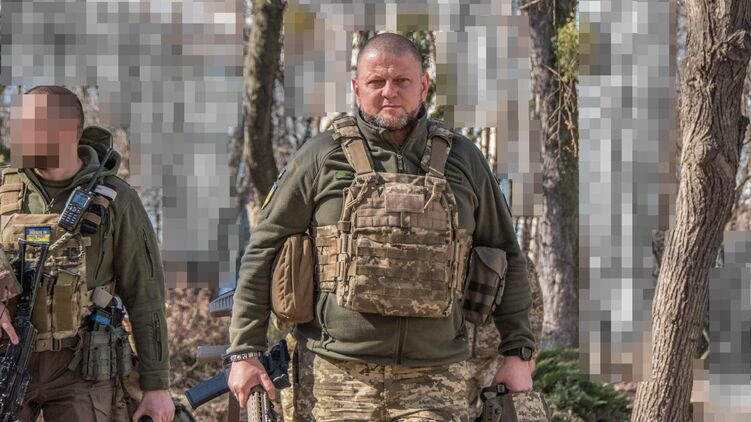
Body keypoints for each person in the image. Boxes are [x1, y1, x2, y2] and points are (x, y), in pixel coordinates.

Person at [227, 33, 536, 421]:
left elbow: (506, 252)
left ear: (423, 85)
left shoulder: (464, 160)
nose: (389, 92)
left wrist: (518, 352)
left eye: (402, 81)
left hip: (436, 380)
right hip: (335, 378)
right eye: (377, 82)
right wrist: (245, 351)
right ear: (357, 88)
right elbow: (264, 249)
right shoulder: (321, 156)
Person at [0, 86, 174, 422]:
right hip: (8, 357)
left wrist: (156, 385)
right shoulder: (3, 188)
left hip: (83, 369)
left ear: (67, 130)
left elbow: (146, 294)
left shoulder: (117, 198)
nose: (18, 135)